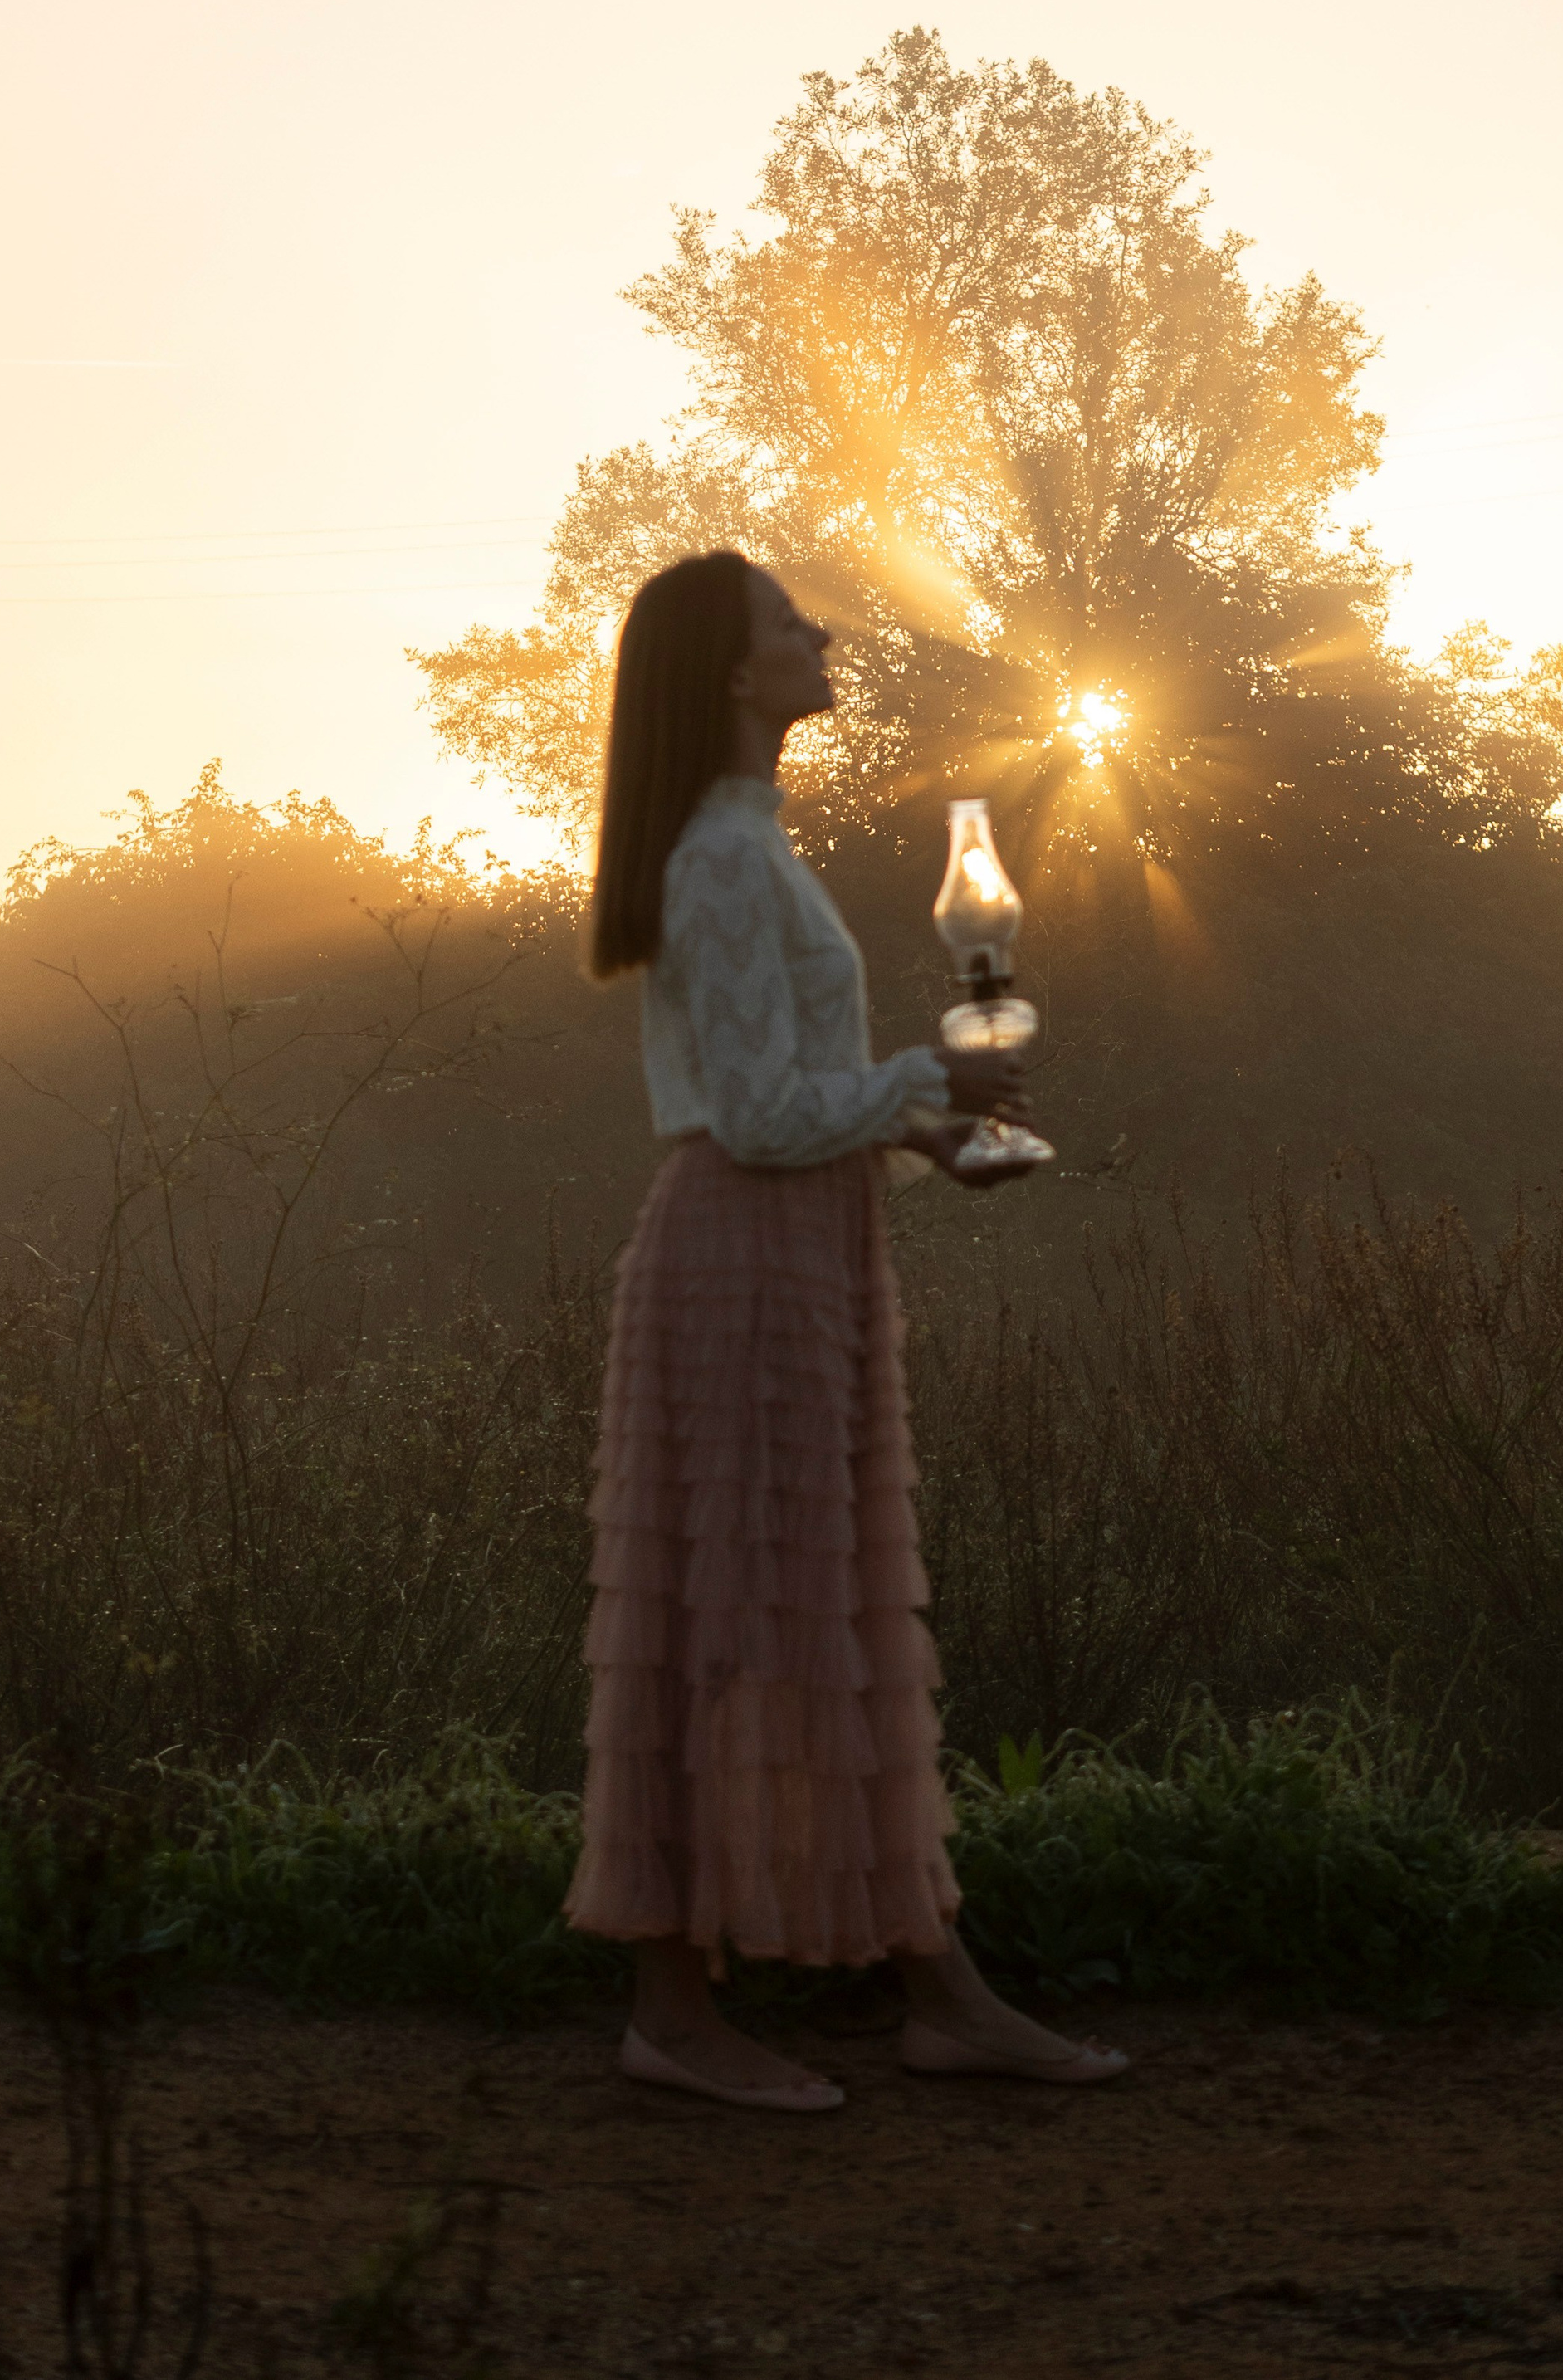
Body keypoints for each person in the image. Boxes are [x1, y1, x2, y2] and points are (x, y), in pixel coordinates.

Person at [563, 548, 1129, 2112]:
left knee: (816, 1613)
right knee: (737, 1621)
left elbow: (792, 1098)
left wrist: (928, 1137)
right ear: (732, 673)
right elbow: (752, 1117)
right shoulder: (721, 860)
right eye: (786, 623)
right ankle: (681, 2014)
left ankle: (931, 1988)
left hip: (798, 1250)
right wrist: (930, 1081)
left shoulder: (751, 845)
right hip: (740, 1259)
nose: (821, 634)